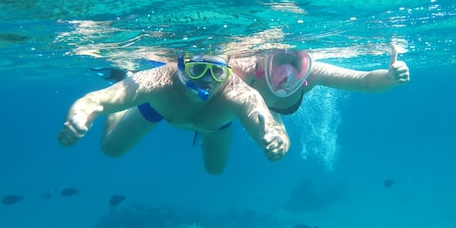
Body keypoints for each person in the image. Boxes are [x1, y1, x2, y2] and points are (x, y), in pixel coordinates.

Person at [58, 53, 290, 175]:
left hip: (214, 123)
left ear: (228, 72)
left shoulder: (238, 94)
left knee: (215, 170)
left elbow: (267, 124)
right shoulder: (158, 82)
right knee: (111, 149)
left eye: (217, 72)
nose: (206, 81)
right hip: (160, 109)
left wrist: (277, 140)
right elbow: (94, 100)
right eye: (198, 69)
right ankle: (126, 77)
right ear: (181, 67)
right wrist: (80, 115)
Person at [230, 46, 410, 120]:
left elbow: (363, 82)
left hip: (284, 106)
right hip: (264, 104)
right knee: (215, 166)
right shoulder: (248, 67)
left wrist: (389, 78)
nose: (286, 70)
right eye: (282, 58)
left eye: (294, 62)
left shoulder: (313, 72)